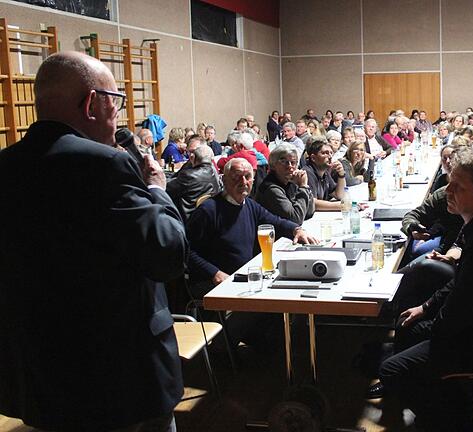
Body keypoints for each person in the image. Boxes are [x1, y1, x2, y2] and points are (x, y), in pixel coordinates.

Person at [0, 51, 187, 431]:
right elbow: (168, 253)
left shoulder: (5, 167)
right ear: (90, 103)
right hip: (121, 380)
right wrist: (157, 191)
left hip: (40, 376)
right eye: (115, 102)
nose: (118, 115)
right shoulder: (105, 165)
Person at [378, 148, 473, 431]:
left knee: (391, 368)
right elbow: (460, 284)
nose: (448, 189)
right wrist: (424, 309)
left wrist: (430, 327)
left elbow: (462, 309)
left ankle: (452, 421)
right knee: (408, 324)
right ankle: (430, 399)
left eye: (457, 186)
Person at [187, 158, 317, 296]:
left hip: (248, 278)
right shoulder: (209, 210)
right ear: (224, 180)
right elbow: (187, 252)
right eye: (236, 177)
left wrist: (297, 230)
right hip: (218, 285)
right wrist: (214, 273)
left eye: (248, 177)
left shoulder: (249, 204)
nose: (243, 182)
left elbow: (276, 222)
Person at [254, 144, 315, 224]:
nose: (290, 166)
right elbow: (296, 219)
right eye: (284, 162)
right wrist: (303, 187)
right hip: (273, 234)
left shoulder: (291, 182)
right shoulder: (271, 188)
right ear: (273, 165)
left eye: (293, 162)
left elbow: (309, 212)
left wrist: (305, 186)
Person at [166, 142, 221, 222]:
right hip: (209, 217)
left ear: (193, 158)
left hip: (189, 219)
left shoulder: (189, 176)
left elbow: (168, 188)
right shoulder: (214, 172)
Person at [304, 137, 347, 211]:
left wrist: (341, 174)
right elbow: (312, 203)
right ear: (313, 158)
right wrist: (341, 206)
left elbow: (339, 195)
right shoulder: (307, 173)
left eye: (331, 153)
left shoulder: (324, 173)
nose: (330, 156)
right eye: (325, 153)